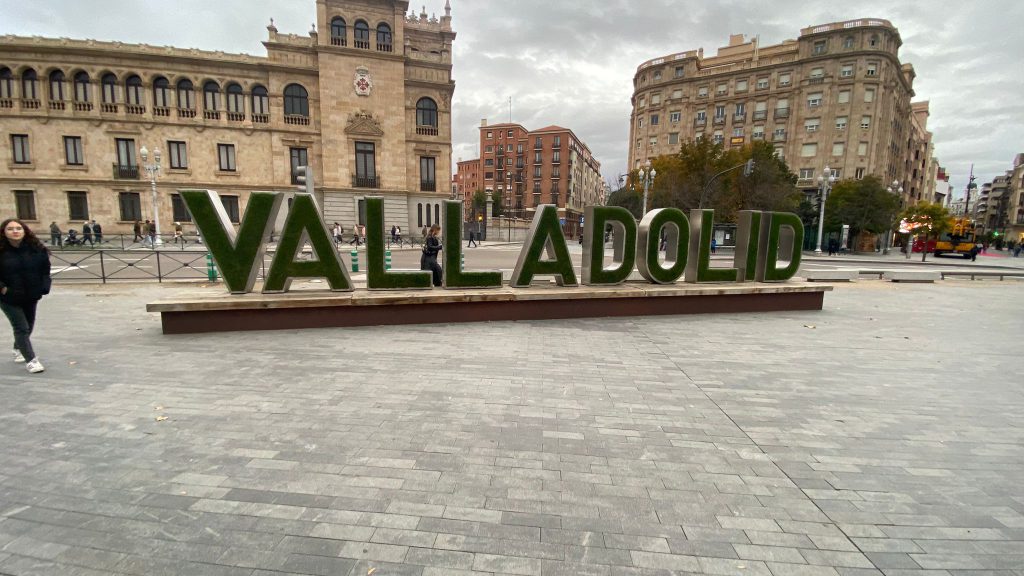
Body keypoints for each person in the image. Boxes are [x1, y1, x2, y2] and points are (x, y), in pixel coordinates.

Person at [0, 219, 52, 374]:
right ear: (4, 232)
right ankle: (31, 360)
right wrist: (3, 289)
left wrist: (44, 287)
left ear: (25, 231)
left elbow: (45, 270)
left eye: (18, 228)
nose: (15, 231)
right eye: (10, 229)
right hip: (8, 297)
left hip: (31, 295)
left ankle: (18, 348)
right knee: (21, 327)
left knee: (28, 326)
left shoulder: (36, 249)